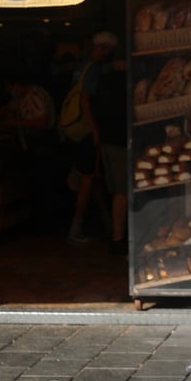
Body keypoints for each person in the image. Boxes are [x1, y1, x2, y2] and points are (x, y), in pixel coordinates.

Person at [63, 31, 119, 245]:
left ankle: (107, 221)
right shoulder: (94, 69)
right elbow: (86, 101)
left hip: (79, 130)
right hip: (87, 131)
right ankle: (75, 228)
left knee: (92, 175)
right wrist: (95, 129)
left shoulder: (83, 66)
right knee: (88, 177)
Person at [94, 51, 128, 255]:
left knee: (118, 190)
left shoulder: (103, 81)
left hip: (109, 140)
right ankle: (118, 238)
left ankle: (118, 237)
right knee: (122, 191)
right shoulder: (122, 82)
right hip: (120, 141)